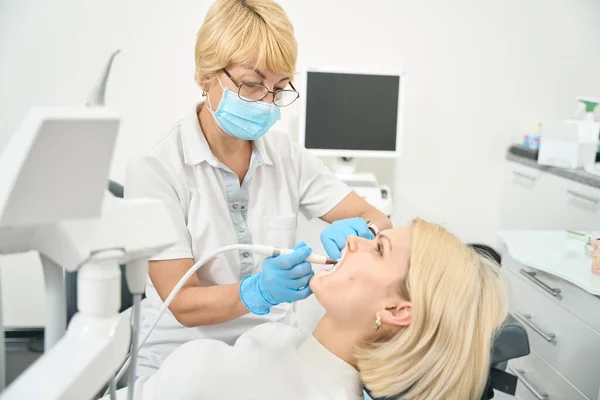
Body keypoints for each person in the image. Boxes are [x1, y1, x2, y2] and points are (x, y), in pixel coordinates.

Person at [125, 0, 392, 377]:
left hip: (272, 351)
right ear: (206, 75)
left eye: (279, 88)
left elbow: (376, 218)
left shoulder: (285, 156)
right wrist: (258, 291)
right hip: (180, 357)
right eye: (252, 85)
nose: (267, 103)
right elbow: (183, 304)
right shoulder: (156, 169)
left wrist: (365, 231)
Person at [118, 219, 508, 400]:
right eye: (372, 236)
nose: (352, 241)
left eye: (377, 248)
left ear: (396, 309)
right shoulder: (280, 339)